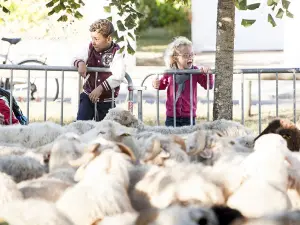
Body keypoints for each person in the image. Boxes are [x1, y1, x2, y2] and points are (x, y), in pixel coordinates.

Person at [152, 36, 214, 127]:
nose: (190, 58)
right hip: (171, 116)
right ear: (175, 58)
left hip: (188, 116)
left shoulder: (195, 71)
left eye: (191, 54)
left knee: (187, 139)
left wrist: (208, 74)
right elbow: (161, 85)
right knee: (172, 139)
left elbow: (209, 86)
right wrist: (155, 83)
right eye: (185, 55)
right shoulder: (170, 72)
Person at [73, 18, 126, 122]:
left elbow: (118, 75)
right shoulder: (90, 47)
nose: (93, 42)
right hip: (88, 96)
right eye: (92, 38)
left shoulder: (117, 52)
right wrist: (81, 63)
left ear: (109, 38)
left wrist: (101, 88)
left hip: (107, 101)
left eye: (96, 39)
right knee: (81, 124)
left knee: (105, 130)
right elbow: (76, 57)